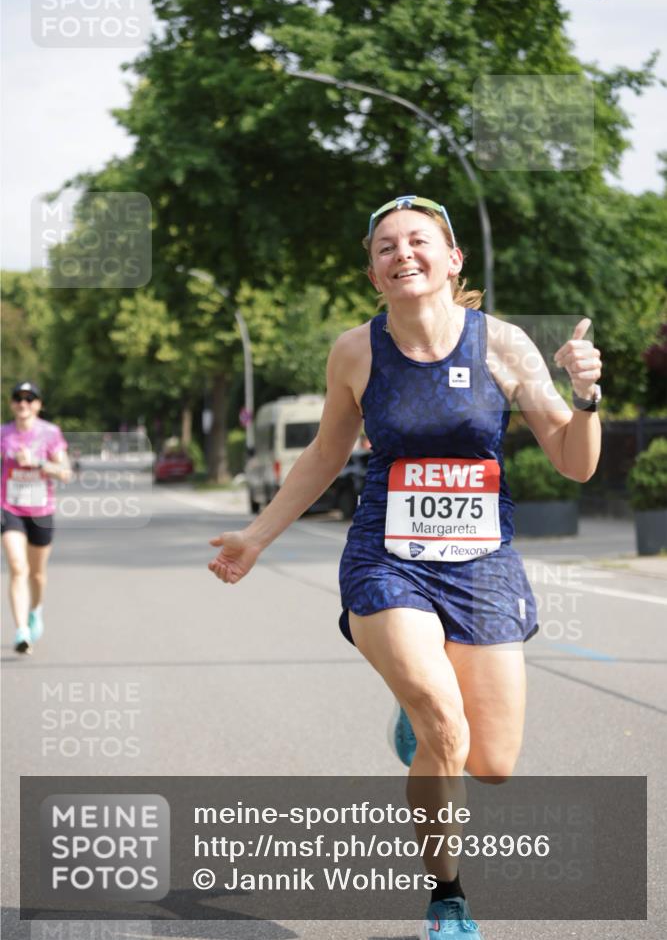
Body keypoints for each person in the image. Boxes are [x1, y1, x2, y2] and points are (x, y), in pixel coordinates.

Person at [207, 195, 602, 938]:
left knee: (491, 765)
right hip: (386, 559)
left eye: (418, 241)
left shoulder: (503, 345)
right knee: (444, 726)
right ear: (373, 273)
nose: (402, 254)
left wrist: (586, 393)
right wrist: (257, 536)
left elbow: (576, 464)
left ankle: (414, 711)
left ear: (453, 261)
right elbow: (326, 452)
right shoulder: (355, 351)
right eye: (386, 247)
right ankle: (446, 892)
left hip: (483, 564)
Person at [1, 381, 71, 654]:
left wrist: (37, 462)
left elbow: (65, 472)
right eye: (18, 398)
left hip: (41, 511)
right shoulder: (3, 433)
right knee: (18, 568)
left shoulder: (50, 433)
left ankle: (35, 609)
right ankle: (21, 631)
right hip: (9, 508)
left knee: (37, 575)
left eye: (30, 399)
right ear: (11, 404)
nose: (23, 403)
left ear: (38, 405)